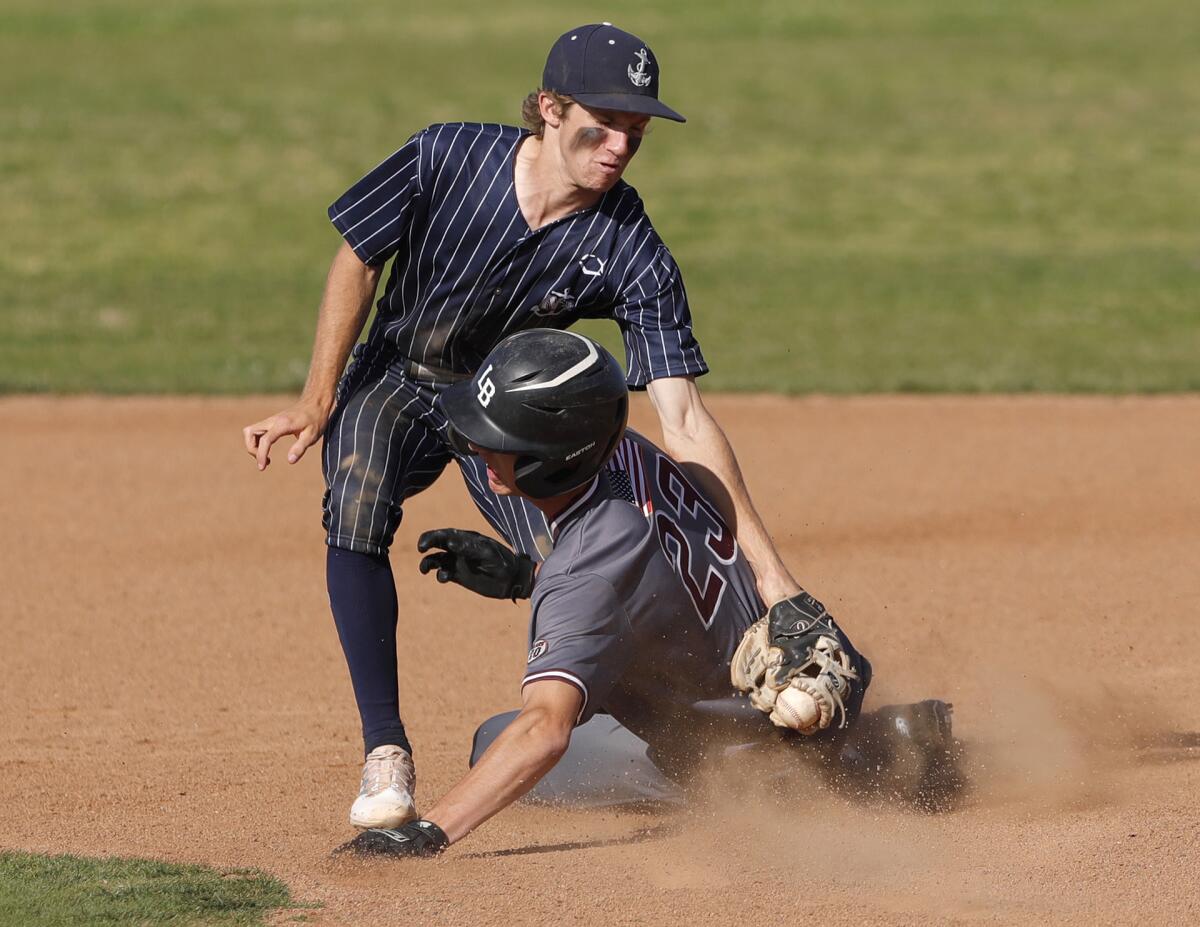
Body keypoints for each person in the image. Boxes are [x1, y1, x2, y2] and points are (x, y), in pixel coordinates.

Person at [242, 23, 816, 831]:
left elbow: (682, 414)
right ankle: (386, 748)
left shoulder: (629, 244)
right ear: (549, 108)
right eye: (602, 124)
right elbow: (357, 256)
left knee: (580, 550)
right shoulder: (446, 156)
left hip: (509, 413)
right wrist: (317, 397)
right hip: (402, 376)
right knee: (357, 498)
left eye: (636, 133)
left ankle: (706, 742)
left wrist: (774, 581)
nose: (619, 146)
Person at [339, 330, 958, 859]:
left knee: (495, 740)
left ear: (551, 458)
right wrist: (527, 580)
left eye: (496, 438)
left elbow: (544, 731)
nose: (476, 448)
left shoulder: (581, 573)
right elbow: (640, 581)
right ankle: (842, 747)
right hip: (757, 658)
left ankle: (829, 767)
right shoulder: (628, 455)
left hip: (728, 728)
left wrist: (428, 832)